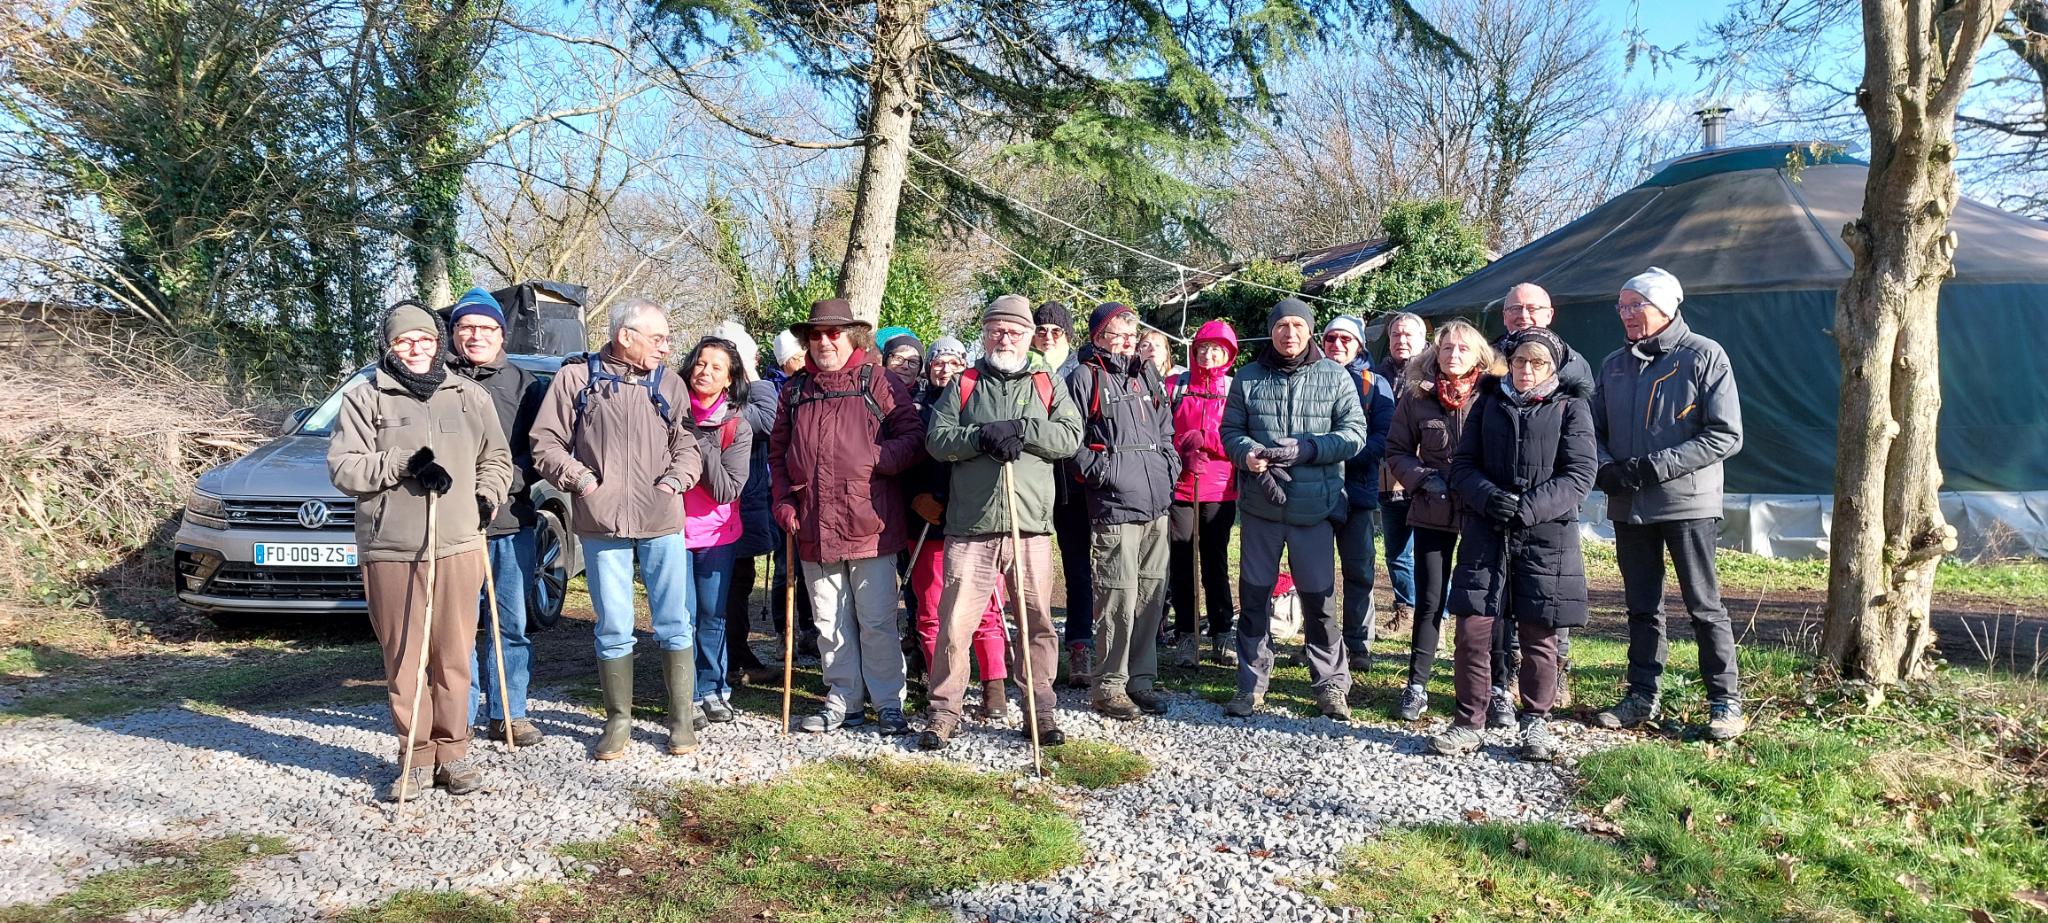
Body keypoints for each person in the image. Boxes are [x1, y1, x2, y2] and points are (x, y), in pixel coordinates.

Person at [329, 303, 513, 799]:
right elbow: (344, 469)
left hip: (458, 544)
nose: (416, 348)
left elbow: (496, 459)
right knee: (406, 658)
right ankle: (413, 757)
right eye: (404, 341)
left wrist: (486, 497)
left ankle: (453, 755)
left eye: (425, 339)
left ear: (439, 343)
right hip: (392, 548)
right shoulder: (366, 398)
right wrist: (403, 463)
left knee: (453, 655)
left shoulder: (470, 396)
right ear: (389, 347)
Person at [531, 297, 704, 760]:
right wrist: (582, 481)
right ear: (625, 336)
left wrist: (676, 481)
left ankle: (681, 720)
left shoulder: (669, 383)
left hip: (662, 519)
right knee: (612, 624)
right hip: (599, 520)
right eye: (658, 338)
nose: (667, 348)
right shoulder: (575, 378)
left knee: (673, 621)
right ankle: (618, 721)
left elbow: (688, 444)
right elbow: (544, 443)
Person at [918, 295, 1084, 750]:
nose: (1004, 338)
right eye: (996, 330)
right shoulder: (965, 383)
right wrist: (980, 437)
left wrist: (1024, 430)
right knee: (954, 624)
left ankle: (1040, 711)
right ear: (985, 334)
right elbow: (937, 439)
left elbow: (1070, 437)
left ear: (1029, 336)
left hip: (1028, 523)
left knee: (1036, 622)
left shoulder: (1046, 382)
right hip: (970, 524)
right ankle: (944, 711)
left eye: (1013, 331)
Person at [1590, 267, 1747, 740]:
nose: (1626, 314)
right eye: (1621, 306)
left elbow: (1725, 433)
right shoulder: (1614, 365)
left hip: (1687, 503)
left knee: (1703, 604)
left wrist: (1654, 467)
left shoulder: (1703, 356)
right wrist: (1604, 467)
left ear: (1666, 308)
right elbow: (1593, 429)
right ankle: (1641, 694)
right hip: (1629, 504)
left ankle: (1724, 701)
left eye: (1636, 305)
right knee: (1641, 605)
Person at [1428, 327, 1595, 762]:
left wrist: (1526, 508)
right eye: (1520, 361)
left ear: (1552, 367)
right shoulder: (1488, 403)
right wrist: (1488, 497)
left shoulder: (1571, 408)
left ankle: (1535, 722)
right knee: (1473, 630)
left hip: (1546, 537)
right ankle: (1469, 721)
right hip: (1486, 530)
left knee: (1539, 633)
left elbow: (1578, 475)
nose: (1526, 370)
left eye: (1537, 363)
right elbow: (1462, 465)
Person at [770, 298, 925, 736]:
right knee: (828, 621)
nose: (824, 342)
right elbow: (778, 455)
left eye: (833, 333)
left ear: (851, 336)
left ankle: (888, 703)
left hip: (869, 522)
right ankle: (843, 699)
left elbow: (913, 438)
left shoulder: (877, 381)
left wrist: (875, 458)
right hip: (812, 522)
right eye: (816, 335)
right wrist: (783, 501)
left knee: (875, 619)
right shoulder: (795, 390)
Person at [1221, 298, 1370, 721]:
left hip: (1315, 509)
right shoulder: (1247, 378)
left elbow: (1354, 434)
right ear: (1272, 331)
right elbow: (1230, 430)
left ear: (1310, 331)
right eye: (1282, 326)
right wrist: (1247, 454)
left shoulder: (1335, 377)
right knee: (1254, 598)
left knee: (1319, 601)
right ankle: (1251, 685)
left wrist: (1309, 449)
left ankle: (1330, 685)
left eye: (1297, 326)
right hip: (1260, 506)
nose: (1290, 334)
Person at [1382, 320, 1503, 721]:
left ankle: (1497, 687)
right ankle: (1416, 686)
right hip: (1432, 509)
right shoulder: (1417, 396)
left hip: (1481, 513)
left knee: (1486, 603)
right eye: (1446, 348)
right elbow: (1397, 449)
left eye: (1463, 349)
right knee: (1429, 601)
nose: (1453, 355)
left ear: (1479, 356)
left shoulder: (1495, 396)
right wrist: (1423, 479)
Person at [444, 287, 548, 749]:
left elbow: (538, 448)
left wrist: (505, 481)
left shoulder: (526, 385)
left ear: (501, 334)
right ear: (453, 334)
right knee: (459, 625)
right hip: (452, 526)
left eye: (485, 328)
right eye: (466, 327)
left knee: (510, 622)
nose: (475, 335)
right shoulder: (437, 381)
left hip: (510, 520)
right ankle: (459, 715)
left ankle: (509, 711)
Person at [1067, 302, 1179, 720]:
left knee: (1151, 593)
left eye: (1132, 336)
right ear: (1098, 336)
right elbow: (1070, 440)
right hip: (1114, 502)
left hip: (1156, 500)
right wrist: (1103, 472)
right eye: (1118, 335)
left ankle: (1141, 679)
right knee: (1117, 594)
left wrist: (1169, 467)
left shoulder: (1146, 375)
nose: (1128, 342)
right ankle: (1109, 685)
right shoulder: (1085, 377)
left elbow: (1165, 428)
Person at [904, 336, 1012, 716]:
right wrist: (915, 497)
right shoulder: (911, 407)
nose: (945, 368)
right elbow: (903, 457)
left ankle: (993, 685)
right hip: (926, 523)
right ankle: (943, 687)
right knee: (933, 609)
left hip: (975, 519)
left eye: (954, 361)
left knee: (985, 607)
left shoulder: (976, 398)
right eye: (938, 362)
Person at [678, 336, 754, 726]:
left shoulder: (735, 426)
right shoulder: (668, 412)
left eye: (716, 367)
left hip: (716, 536)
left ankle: (714, 689)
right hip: (671, 533)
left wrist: (701, 438)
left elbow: (726, 489)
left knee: (712, 615)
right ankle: (685, 694)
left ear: (730, 379)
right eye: (700, 363)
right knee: (682, 617)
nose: (704, 372)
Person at [1320, 315, 1395, 672]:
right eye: (1330, 338)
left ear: (1360, 345)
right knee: (1316, 574)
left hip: (1359, 490)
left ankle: (1358, 643)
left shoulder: (1375, 385)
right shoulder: (1309, 379)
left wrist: (1342, 452)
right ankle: (1321, 643)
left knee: (1360, 570)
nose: (1337, 345)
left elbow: (1385, 435)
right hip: (1315, 491)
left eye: (1345, 339)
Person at [1165, 319, 1240, 667]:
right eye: (1203, 348)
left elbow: (1242, 437)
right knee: (1181, 562)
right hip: (1180, 486)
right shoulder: (1175, 386)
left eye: (1216, 349)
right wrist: (1182, 446)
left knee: (1215, 562)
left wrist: (1206, 442)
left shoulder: (1234, 389)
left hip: (1220, 489)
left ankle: (1222, 632)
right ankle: (1186, 634)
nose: (1208, 354)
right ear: (1193, 351)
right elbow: (1159, 430)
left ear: (1228, 354)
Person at [711, 321, 780, 687]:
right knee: (729, 584)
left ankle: (732, 654)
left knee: (736, 581)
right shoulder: (728, 403)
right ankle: (732, 659)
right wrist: (749, 367)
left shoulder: (733, 399)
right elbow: (768, 420)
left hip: (739, 504)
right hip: (724, 508)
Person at [1033, 300, 1095, 688]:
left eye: (1056, 332)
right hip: (1032, 484)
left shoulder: (1083, 373)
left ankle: (1079, 645)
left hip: (1074, 485)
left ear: (1068, 337)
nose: (1048, 337)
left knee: (1077, 568)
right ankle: (1034, 650)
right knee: (1031, 572)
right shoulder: (1022, 370)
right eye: (1042, 330)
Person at [1376, 311, 1429, 633]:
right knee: (1396, 551)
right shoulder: (1375, 376)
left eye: (1408, 334)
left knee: (1429, 552)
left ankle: (1436, 616)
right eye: (1396, 334)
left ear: (1423, 340)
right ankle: (1405, 610)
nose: (1402, 340)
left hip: (1427, 477)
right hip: (1389, 477)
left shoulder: (1437, 373)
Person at [765, 328, 817, 658]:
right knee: (786, 569)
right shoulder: (776, 391)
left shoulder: (813, 384)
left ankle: (811, 630)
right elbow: (776, 446)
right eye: (795, 359)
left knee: (811, 566)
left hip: (811, 492)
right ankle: (785, 634)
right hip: (783, 492)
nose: (800, 364)